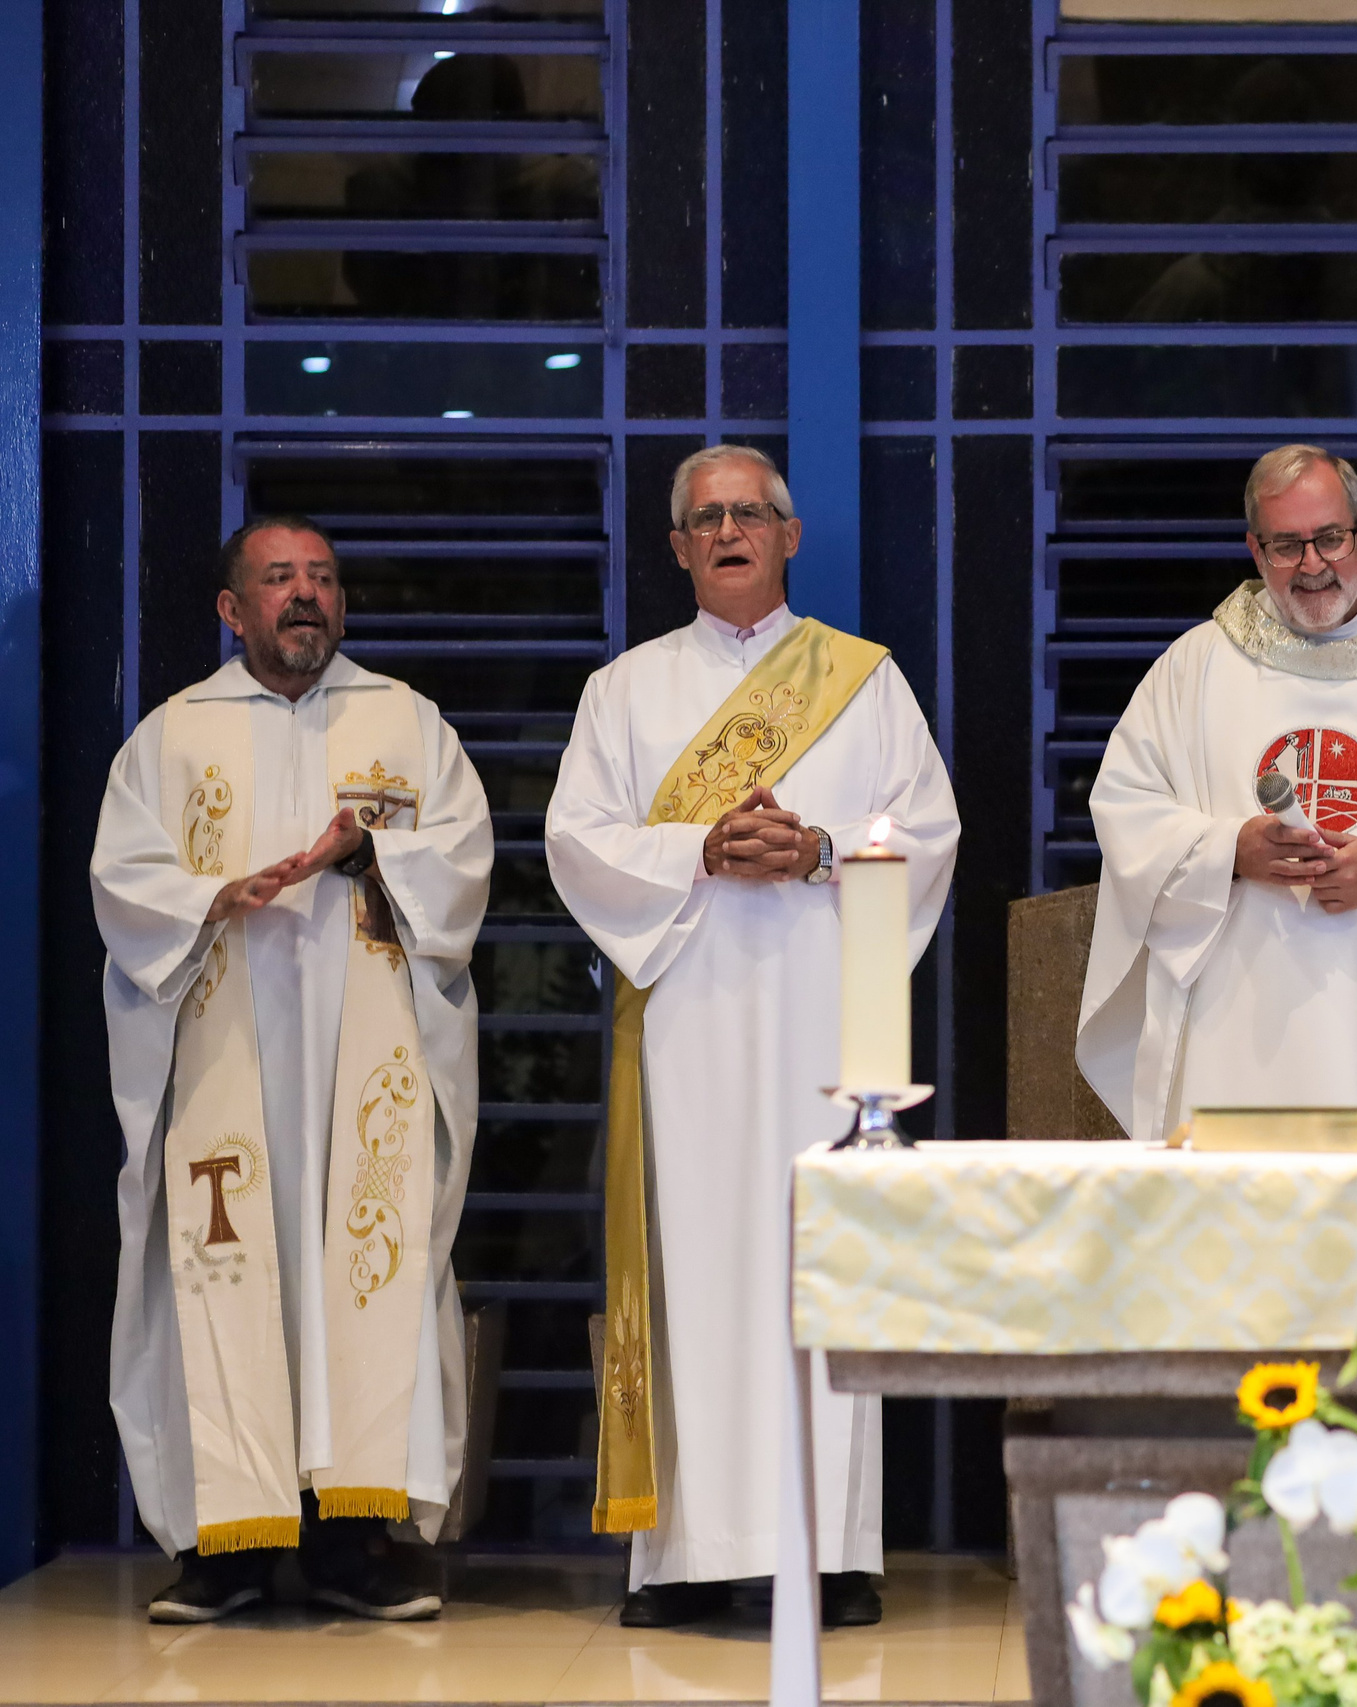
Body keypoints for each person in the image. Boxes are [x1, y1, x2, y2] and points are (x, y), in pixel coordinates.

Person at [546, 444, 959, 1629]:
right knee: (698, 1261)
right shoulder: (623, 691)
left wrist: (819, 849)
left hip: (829, 1015)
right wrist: (702, 849)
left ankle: (831, 1552)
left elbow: (927, 833)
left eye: (751, 513)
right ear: (678, 547)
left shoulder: (864, 682)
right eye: (708, 518)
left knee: (824, 1256)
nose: (730, 532)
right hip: (687, 1017)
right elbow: (577, 840)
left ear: (789, 534)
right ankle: (689, 1557)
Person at [92, 518, 493, 1622]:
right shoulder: (173, 737)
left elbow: (463, 862)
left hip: (369, 1064)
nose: (305, 595)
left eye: (321, 578)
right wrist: (206, 897)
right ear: (233, 610)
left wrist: (373, 851)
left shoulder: (406, 724)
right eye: (279, 579)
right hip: (229, 1055)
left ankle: (354, 1544)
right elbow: (122, 879)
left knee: (363, 1271)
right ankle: (225, 1548)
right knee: (225, 1276)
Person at [1078, 443, 1357, 1144]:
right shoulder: (1193, 670)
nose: (1313, 564)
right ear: (1256, 551)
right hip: (1229, 1019)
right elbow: (1125, 807)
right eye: (1287, 545)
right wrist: (1230, 849)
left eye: (1330, 538)